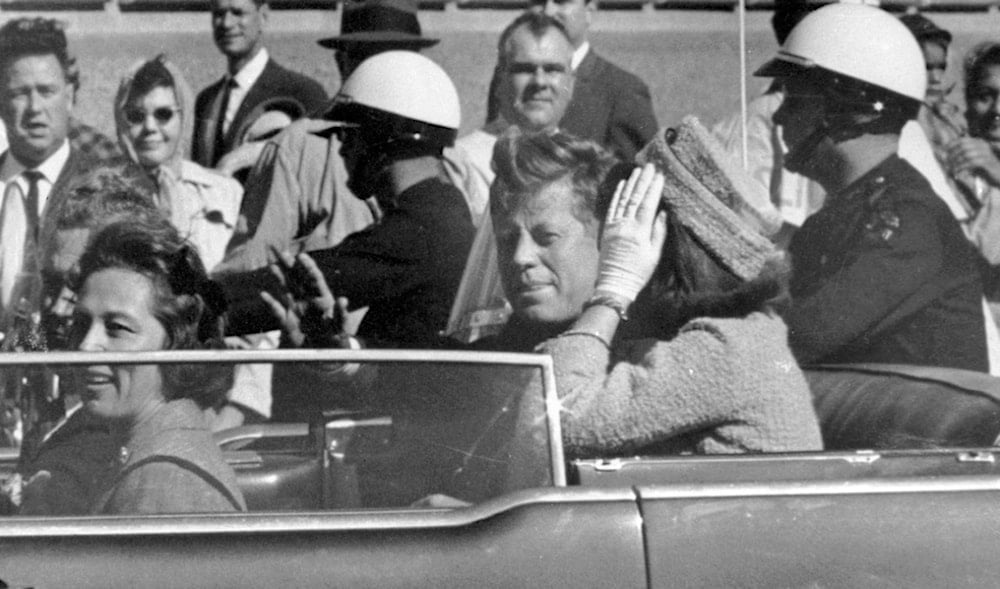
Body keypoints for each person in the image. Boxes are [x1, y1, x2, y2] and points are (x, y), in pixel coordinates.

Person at [756, 3, 989, 371]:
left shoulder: (907, 223)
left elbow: (790, 341)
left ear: (854, 108)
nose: (781, 116)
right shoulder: (846, 214)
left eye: (796, 99)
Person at [222, 51, 473, 349]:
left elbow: (314, 280)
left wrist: (196, 302)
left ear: (383, 137)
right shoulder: (443, 209)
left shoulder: (424, 226)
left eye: (347, 134)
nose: (339, 149)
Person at [69, 218, 245, 514]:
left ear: (175, 344)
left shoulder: (164, 480)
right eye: (81, 324)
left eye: (117, 328)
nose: (87, 346)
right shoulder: (147, 453)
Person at [11, 169, 162, 516]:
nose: (58, 307)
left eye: (77, 283)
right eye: (51, 283)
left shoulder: (132, 413)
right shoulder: (48, 359)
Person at [444, 11, 577, 341]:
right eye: (524, 69)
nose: (540, 82)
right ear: (500, 78)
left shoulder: (583, 163)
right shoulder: (460, 160)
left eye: (554, 69)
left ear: (571, 83)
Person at [0, 18, 98, 330]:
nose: (34, 107)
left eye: (46, 91)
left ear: (69, 97)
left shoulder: (106, 189)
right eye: (19, 93)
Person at [115, 55, 243, 273]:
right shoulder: (105, 195)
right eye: (136, 116)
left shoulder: (224, 191)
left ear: (183, 118)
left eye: (163, 114)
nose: (149, 127)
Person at [484, 0, 656, 161]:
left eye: (561, 1)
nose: (548, 11)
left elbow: (642, 172)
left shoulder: (623, 90)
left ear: (589, 10)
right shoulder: (508, 77)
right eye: (538, 0)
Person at [193, 0, 327, 169]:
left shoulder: (303, 93)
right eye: (219, 14)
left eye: (238, 12)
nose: (226, 23)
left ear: (263, 17)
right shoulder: (207, 100)